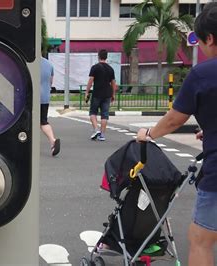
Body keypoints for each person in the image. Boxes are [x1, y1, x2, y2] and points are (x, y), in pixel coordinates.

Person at [136, 3, 217, 265]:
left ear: (210, 38)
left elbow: (173, 120)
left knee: (200, 240)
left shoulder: (203, 73)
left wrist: (149, 133)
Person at [85, 49, 118, 141]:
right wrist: (113, 94)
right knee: (104, 115)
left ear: (98, 56)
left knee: (92, 112)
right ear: (106, 57)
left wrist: (87, 91)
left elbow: (91, 80)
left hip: (97, 93)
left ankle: (96, 129)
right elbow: (113, 83)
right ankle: (102, 135)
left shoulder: (95, 67)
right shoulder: (110, 69)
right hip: (107, 94)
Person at [40, 56, 60, 157]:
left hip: (31, 97)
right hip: (45, 97)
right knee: (43, 121)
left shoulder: (29, 63)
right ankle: (53, 140)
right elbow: (50, 82)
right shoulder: (49, 64)